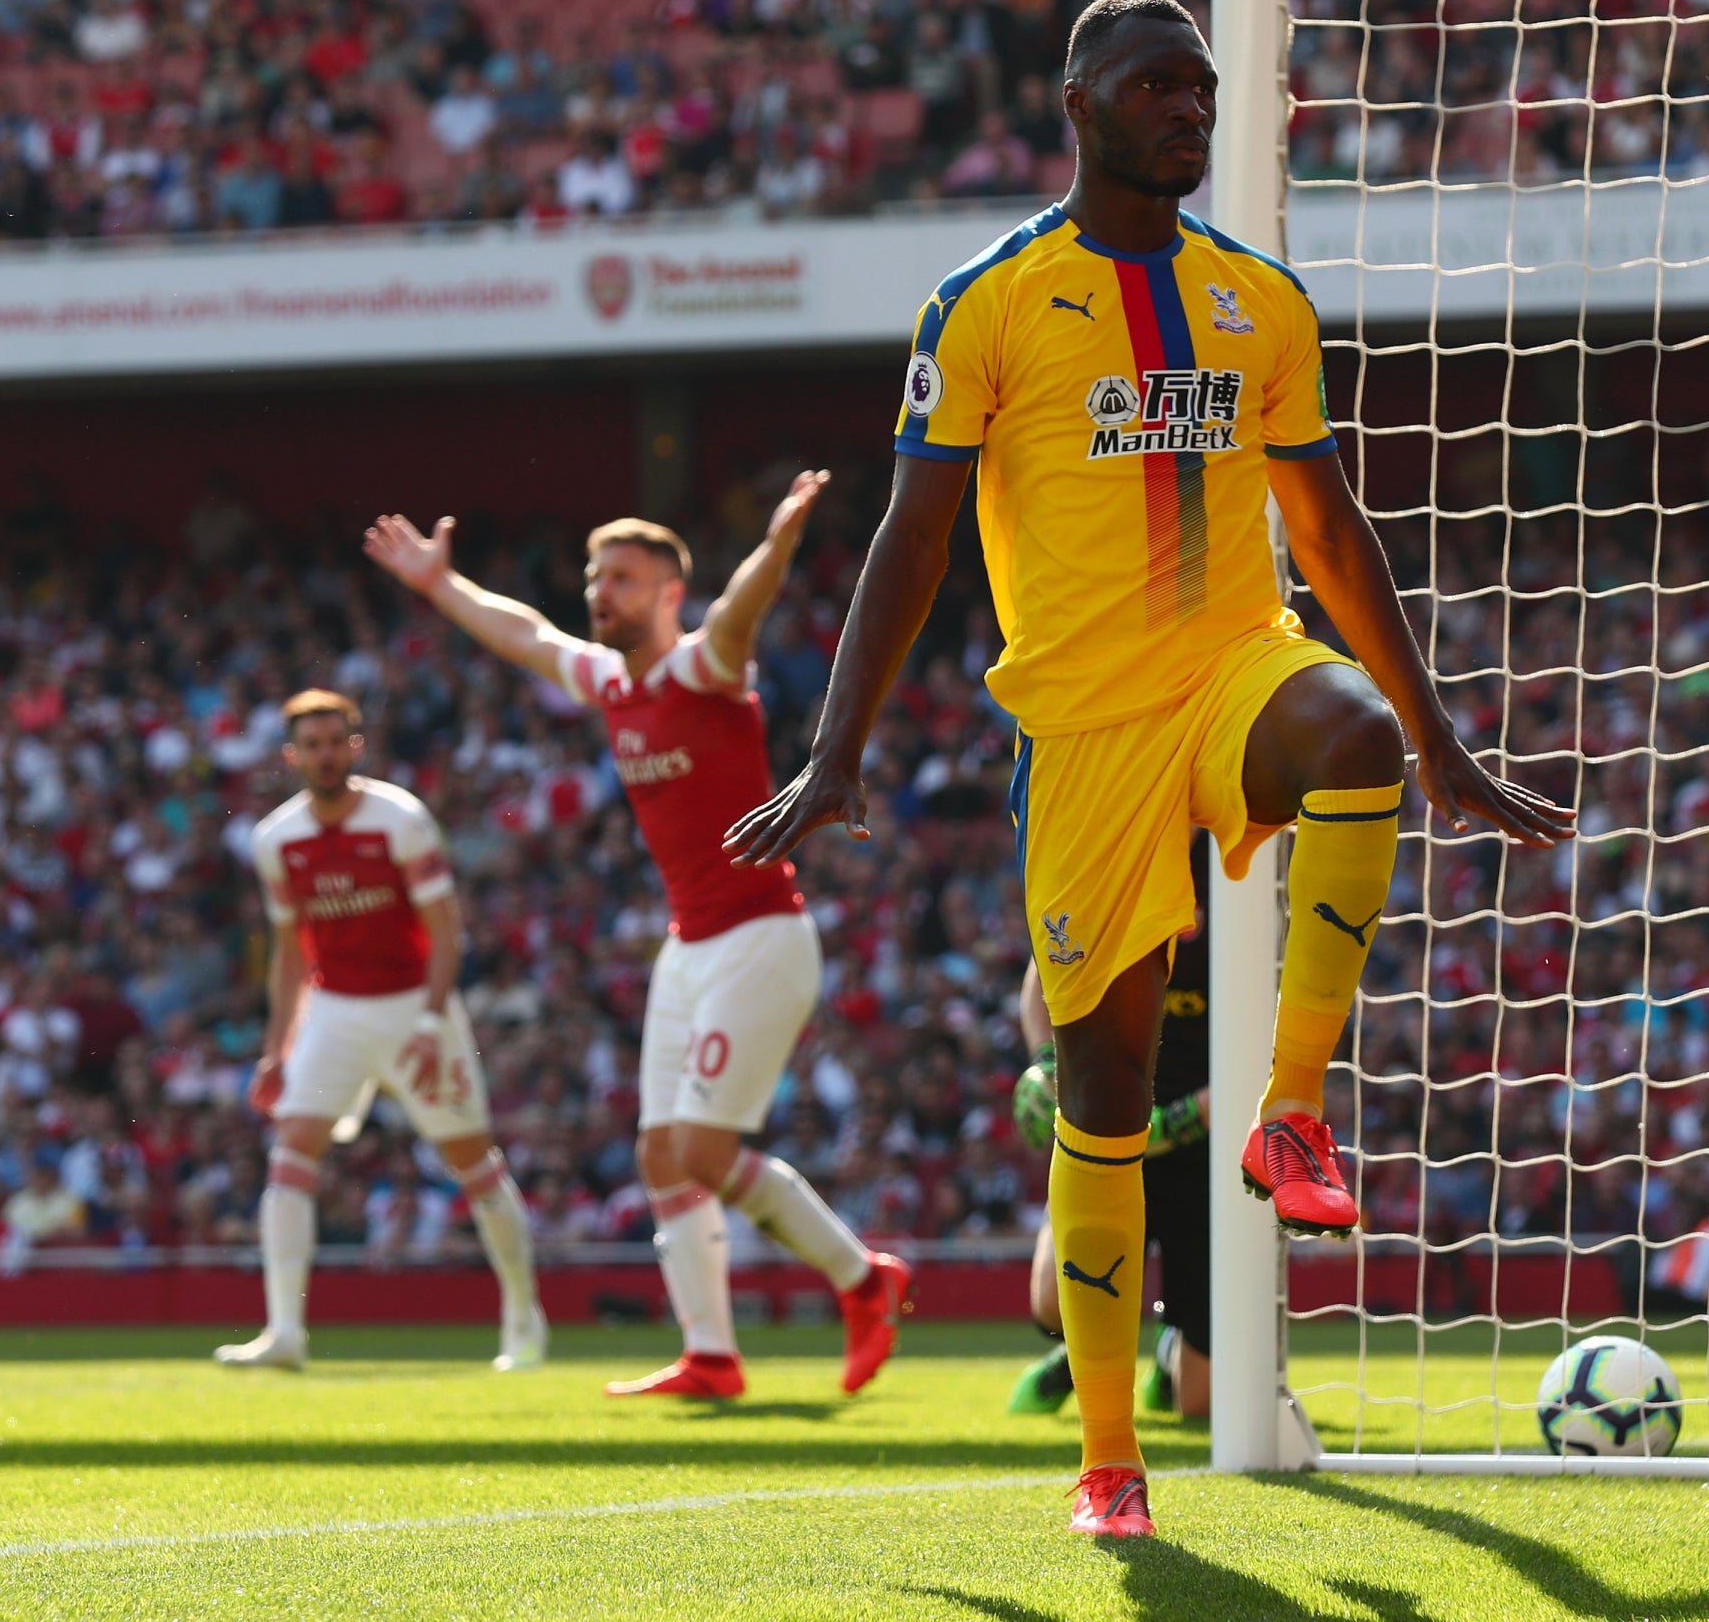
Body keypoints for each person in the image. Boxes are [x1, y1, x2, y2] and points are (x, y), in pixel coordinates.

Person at [724, 0, 1571, 1535]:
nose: (1192, 109)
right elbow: (914, 537)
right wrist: (837, 745)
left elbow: (1324, 522)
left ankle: (1291, 1109)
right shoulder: (987, 302)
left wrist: (1441, 733)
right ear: (1078, 102)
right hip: (1085, 725)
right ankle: (1110, 1464)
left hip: (1236, 663)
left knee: (1358, 740)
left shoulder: (1260, 299)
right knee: (1103, 1091)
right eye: (1159, 86)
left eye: (1204, 86)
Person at [363, 475, 911, 1400]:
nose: (597, 591)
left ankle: (865, 1279)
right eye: (593, 574)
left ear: (666, 594)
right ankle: (711, 1354)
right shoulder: (611, 680)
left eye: (619, 577)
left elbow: (738, 617)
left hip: (760, 937)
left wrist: (775, 545)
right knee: (661, 1154)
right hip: (689, 945)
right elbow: (526, 636)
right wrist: (438, 586)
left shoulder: (702, 669)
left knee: (698, 1151)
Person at [219, 690, 547, 1372]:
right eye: (311, 745)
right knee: (291, 1149)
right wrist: (276, 1050)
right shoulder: (276, 838)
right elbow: (288, 953)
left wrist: (430, 1021)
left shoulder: (401, 819)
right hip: (333, 1007)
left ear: (356, 746)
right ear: (292, 756)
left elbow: (446, 932)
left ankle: (524, 1320)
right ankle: (285, 1333)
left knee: (473, 1164)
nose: (324, 755)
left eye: (336, 742)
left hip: (412, 1006)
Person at [1007, 837, 1212, 1422]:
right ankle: (1075, 1355)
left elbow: (1264, 1034)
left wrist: (1174, 1123)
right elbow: (1042, 973)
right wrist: (1046, 1064)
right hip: (1106, 1103)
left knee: (1201, 1407)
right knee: (1051, 1305)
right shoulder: (1111, 844)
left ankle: (1170, 1346)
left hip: (1205, 1137)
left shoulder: (1243, 870)